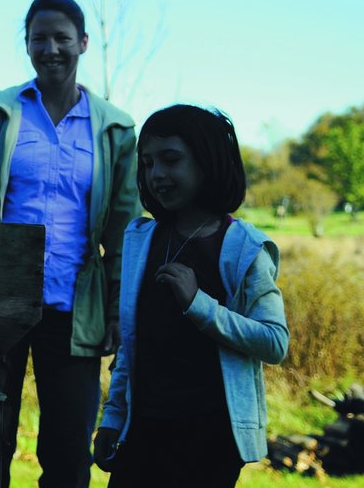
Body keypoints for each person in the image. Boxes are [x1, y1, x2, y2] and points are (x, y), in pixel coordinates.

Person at [0, 0, 139, 487]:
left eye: (62, 38)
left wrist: (117, 309)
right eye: (39, 39)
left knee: (69, 450)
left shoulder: (115, 130)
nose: (51, 48)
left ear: (83, 43)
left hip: (75, 308)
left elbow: (123, 229)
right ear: (26, 44)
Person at [93, 104, 289, 487]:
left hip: (210, 438)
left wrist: (199, 306)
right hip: (144, 429)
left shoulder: (245, 249)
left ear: (206, 163)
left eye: (171, 160)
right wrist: (113, 418)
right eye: (148, 163)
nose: (157, 175)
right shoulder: (141, 239)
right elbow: (131, 346)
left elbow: (275, 342)